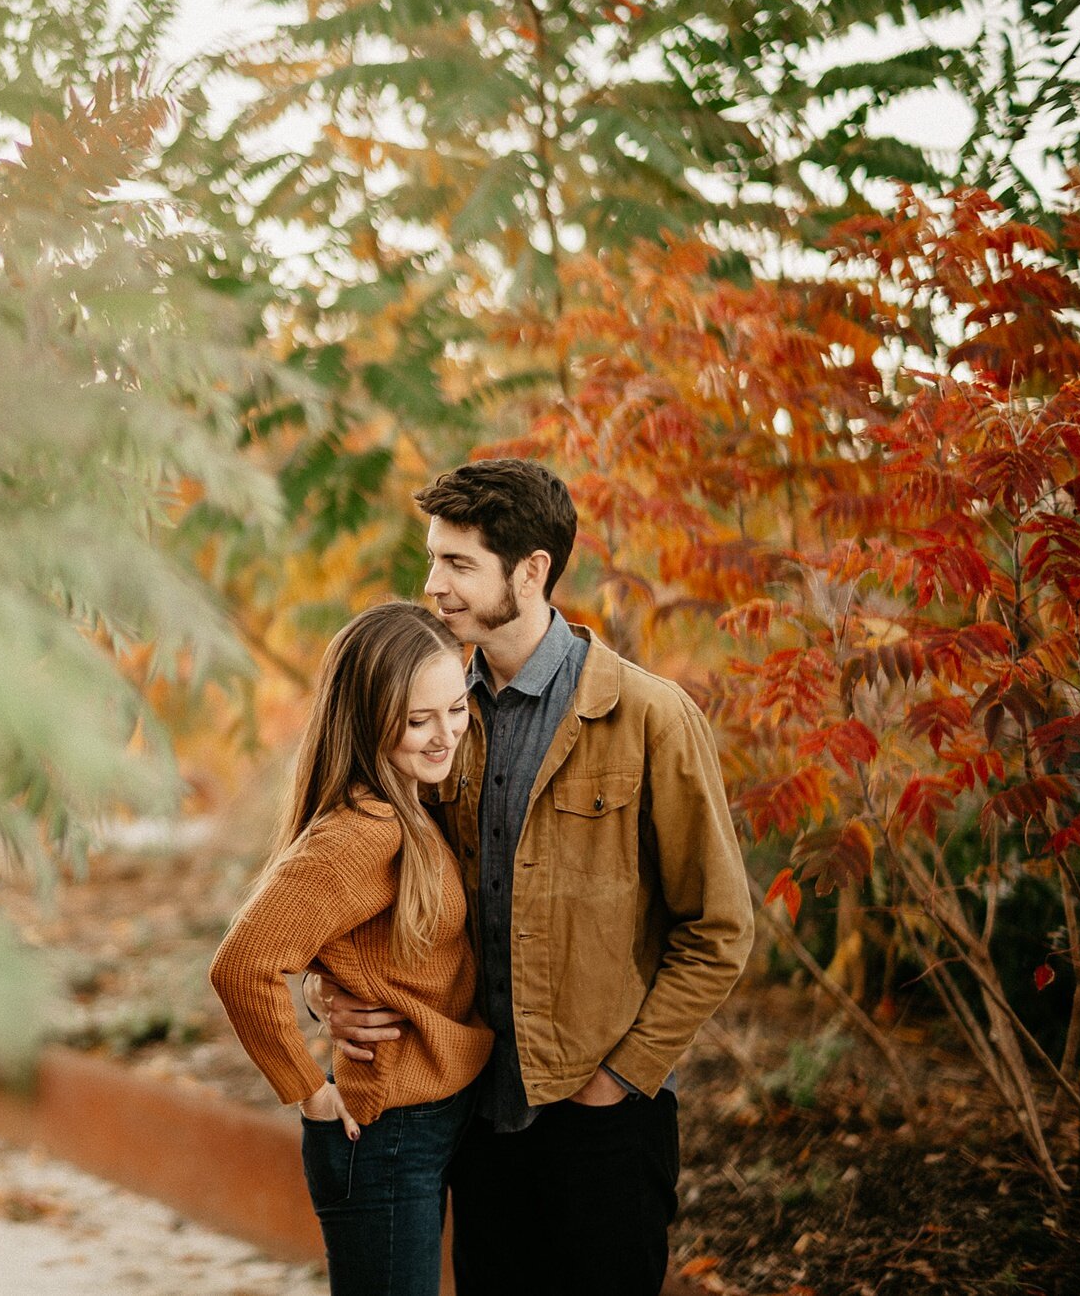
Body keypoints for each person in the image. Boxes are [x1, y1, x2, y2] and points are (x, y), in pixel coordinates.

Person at [310, 459, 754, 1296]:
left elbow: (719, 928)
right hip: (473, 1116)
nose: (433, 584)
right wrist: (325, 994)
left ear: (532, 570)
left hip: (606, 1124)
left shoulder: (650, 717)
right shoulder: (431, 713)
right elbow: (354, 880)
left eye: (458, 564)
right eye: (434, 558)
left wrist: (617, 1079)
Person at [210, 600, 493, 1296]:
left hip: (433, 1117)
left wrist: (324, 984)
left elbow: (347, 944)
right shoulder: (363, 832)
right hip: (388, 1135)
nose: (444, 735)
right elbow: (242, 965)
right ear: (368, 720)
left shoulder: (409, 804)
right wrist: (308, 1091)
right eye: (417, 720)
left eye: (455, 709)